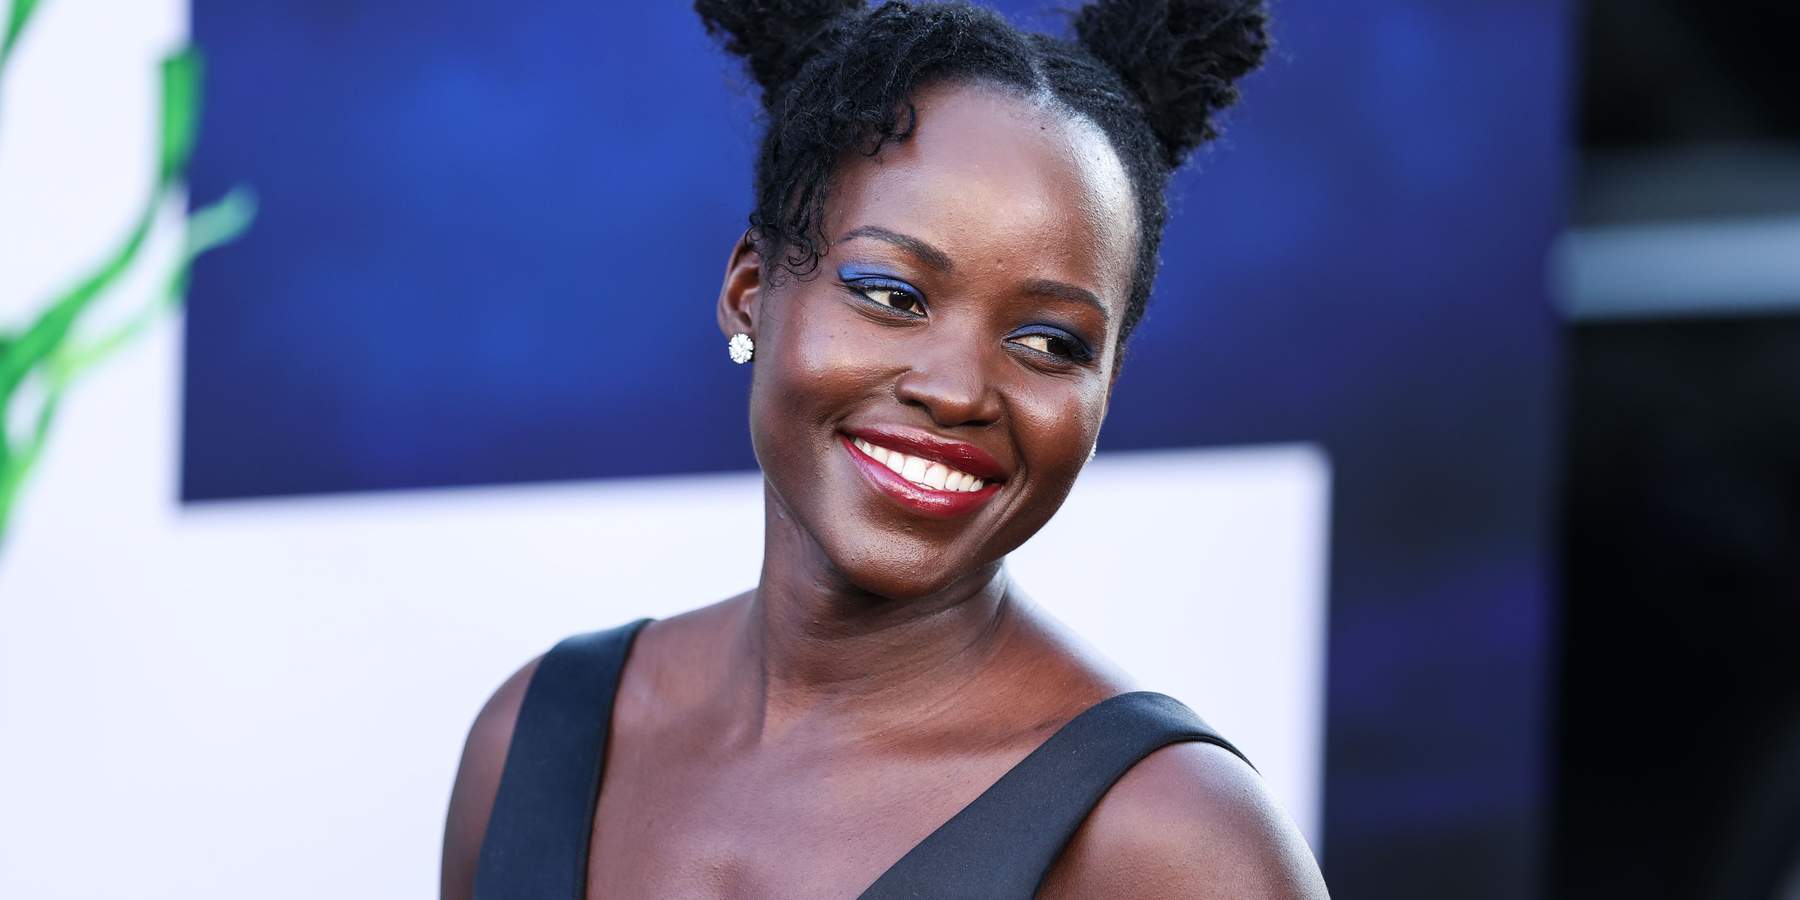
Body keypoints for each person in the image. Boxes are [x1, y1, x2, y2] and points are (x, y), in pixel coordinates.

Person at [442, 1, 1329, 897]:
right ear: (751, 289)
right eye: (893, 295)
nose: (958, 390)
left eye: (1050, 342)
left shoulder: (1178, 845)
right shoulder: (535, 741)